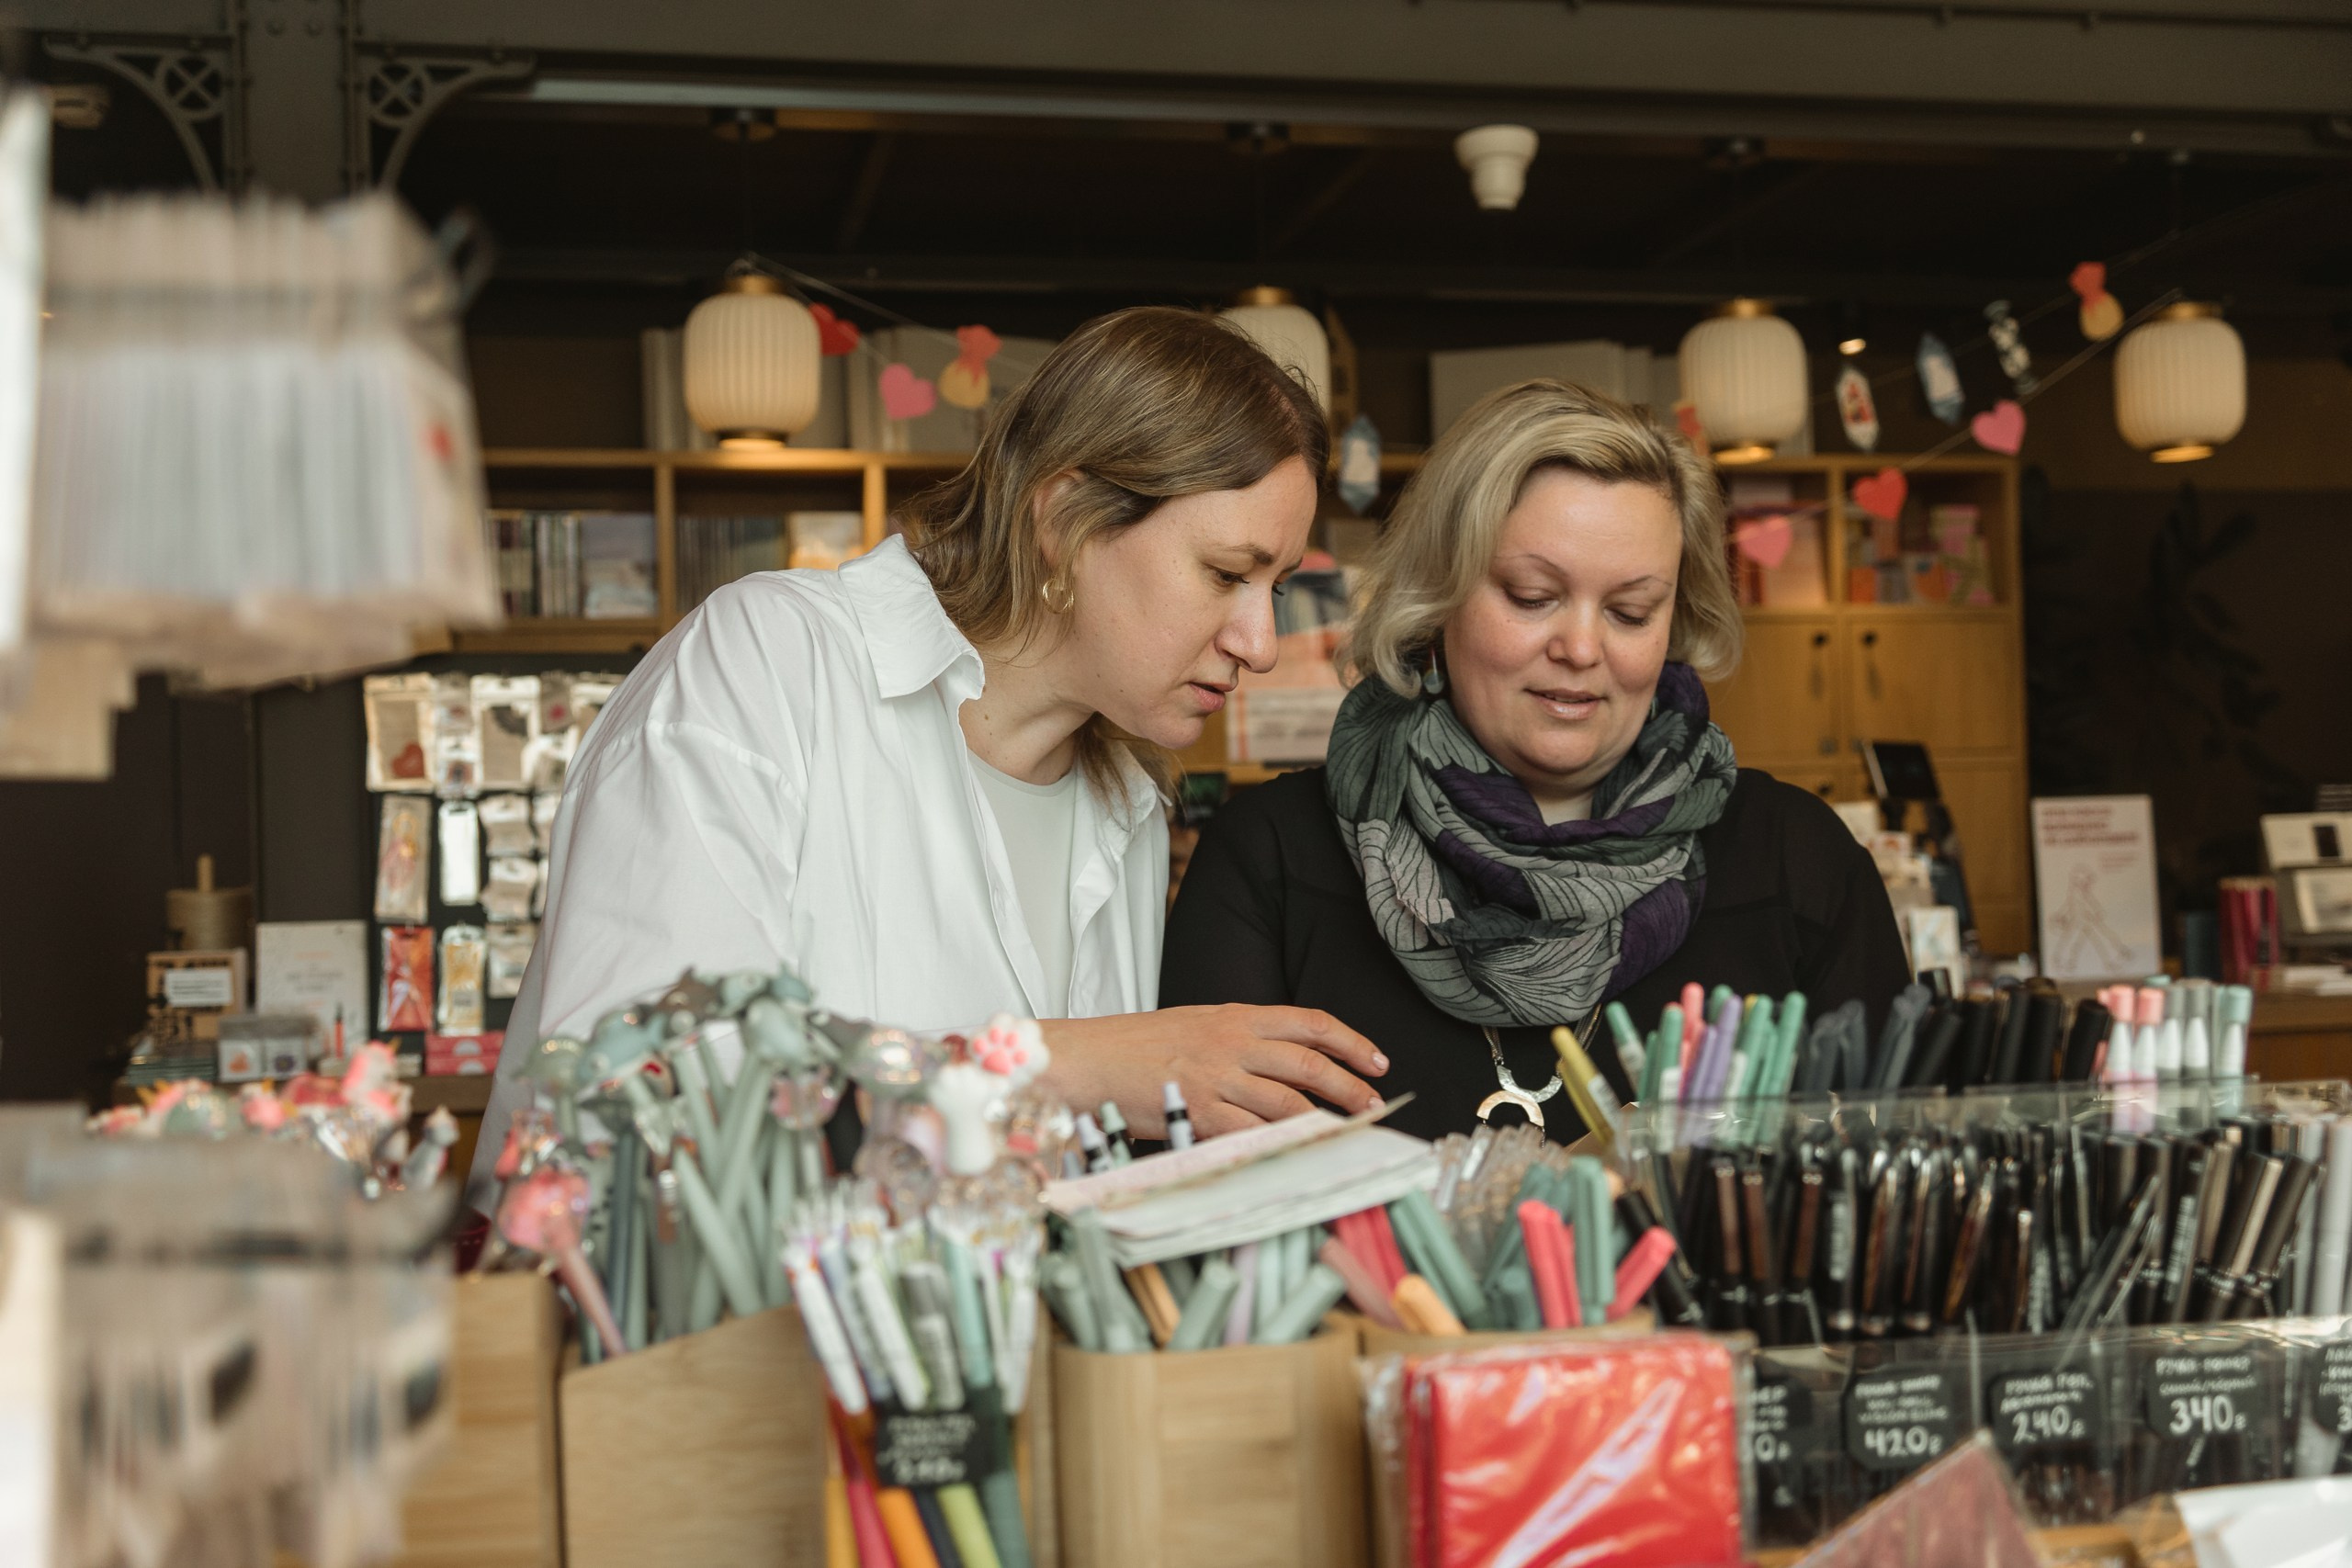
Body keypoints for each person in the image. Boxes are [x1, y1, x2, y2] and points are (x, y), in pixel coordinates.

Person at [473, 307, 1387, 1189]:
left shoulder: (1127, 801)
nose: (1259, 642)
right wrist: (1062, 1067)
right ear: (1065, 522)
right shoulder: (771, 664)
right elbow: (618, 1105)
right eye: (1226, 574)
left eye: (1272, 587)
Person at [1160, 379, 1909, 1142]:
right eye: (1531, 595)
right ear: (1436, 599)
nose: (1581, 649)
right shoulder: (1272, 860)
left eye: (1630, 611)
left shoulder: (1797, 863)